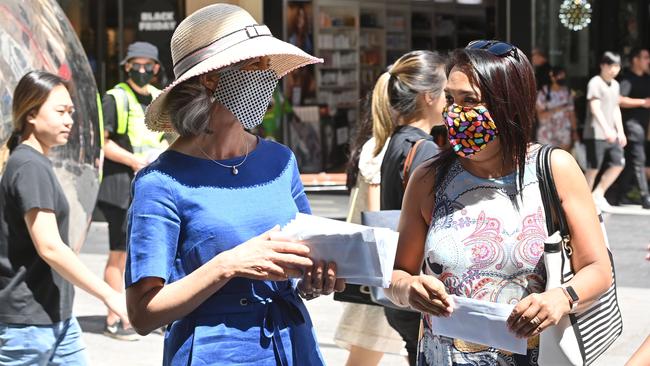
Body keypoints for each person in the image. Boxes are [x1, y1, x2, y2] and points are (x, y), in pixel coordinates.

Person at [124, 5, 344, 365]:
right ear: (211, 79)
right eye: (255, 65)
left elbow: (307, 255)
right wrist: (228, 265)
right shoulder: (159, 182)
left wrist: (316, 279)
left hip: (293, 347)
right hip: (214, 354)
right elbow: (143, 314)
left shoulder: (280, 160)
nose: (269, 75)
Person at [385, 40, 612, 365]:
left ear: (508, 103)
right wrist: (409, 288)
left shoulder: (554, 169)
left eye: (470, 100)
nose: (456, 112)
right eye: (450, 99)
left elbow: (598, 269)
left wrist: (561, 298)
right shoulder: (427, 178)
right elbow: (397, 275)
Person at [0, 71, 129, 365]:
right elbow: (51, 247)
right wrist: (109, 295)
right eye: (60, 112)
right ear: (31, 114)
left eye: (71, 111)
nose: (69, 120)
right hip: (28, 325)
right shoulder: (29, 166)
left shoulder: (34, 162)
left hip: (55, 317)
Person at [379, 50, 447, 366]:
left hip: (398, 283)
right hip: (416, 283)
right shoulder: (425, 148)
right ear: (429, 96)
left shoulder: (397, 140)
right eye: (448, 91)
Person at [97, 41, 167, 340]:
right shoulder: (115, 98)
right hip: (120, 186)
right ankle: (116, 316)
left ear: (155, 69)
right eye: (136, 65)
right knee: (120, 255)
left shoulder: (159, 98)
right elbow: (103, 141)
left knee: (153, 251)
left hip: (152, 185)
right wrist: (134, 161)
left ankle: (153, 312)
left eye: (147, 65)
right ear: (126, 66)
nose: (141, 70)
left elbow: (170, 138)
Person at [334, 75, 404, 366]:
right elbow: (377, 219)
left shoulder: (381, 144)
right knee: (365, 356)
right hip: (382, 269)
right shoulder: (381, 147)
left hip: (385, 269)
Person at [583, 52, 627, 212]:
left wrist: (620, 131)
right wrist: (606, 129)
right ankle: (585, 201)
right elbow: (595, 108)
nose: (614, 70)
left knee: (618, 163)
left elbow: (616, 108)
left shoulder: (615, 85)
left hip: (612, 134)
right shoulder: (595, 82)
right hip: (595, 133)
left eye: (617, 66)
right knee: (593, 168)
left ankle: (598, 194)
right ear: (603, 65)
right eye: (611, 66)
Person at [616, 47, 650, 209]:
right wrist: (642, 102)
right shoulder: (627, 79)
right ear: (635, 60)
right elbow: (619, 100)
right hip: (632, 126)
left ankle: (620, 195)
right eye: (645, 57)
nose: (648, 61)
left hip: (644, 127)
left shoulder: (647, 79)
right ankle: (645, 196)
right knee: (639, 159)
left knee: (631, 162)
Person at [535, 66, 578, 151]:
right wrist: (558, 109)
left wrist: (574, 131)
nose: (561, 78)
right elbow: (541, 116)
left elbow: (572, 114)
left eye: (563, 76)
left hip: (564, 133)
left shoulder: (567, 92)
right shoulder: (544, 93)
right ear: (552, 77)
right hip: (547, 134)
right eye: (559, 76)